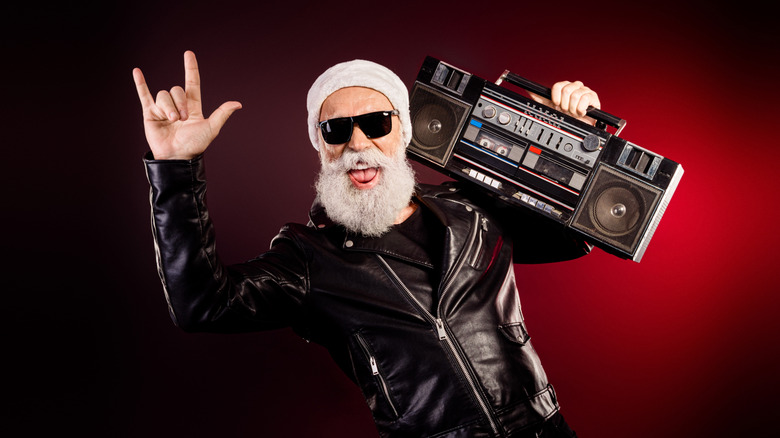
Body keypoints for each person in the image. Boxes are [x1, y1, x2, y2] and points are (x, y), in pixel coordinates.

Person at [133, 50, 600, 437]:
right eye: (336, 129)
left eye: (376, 122)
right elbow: (202, 305)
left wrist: (570, 136)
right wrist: (175, 170)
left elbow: (572, 239)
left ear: (404, 131)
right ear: (320, 144)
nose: (358, 142)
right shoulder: (308, 256)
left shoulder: (472, 207)